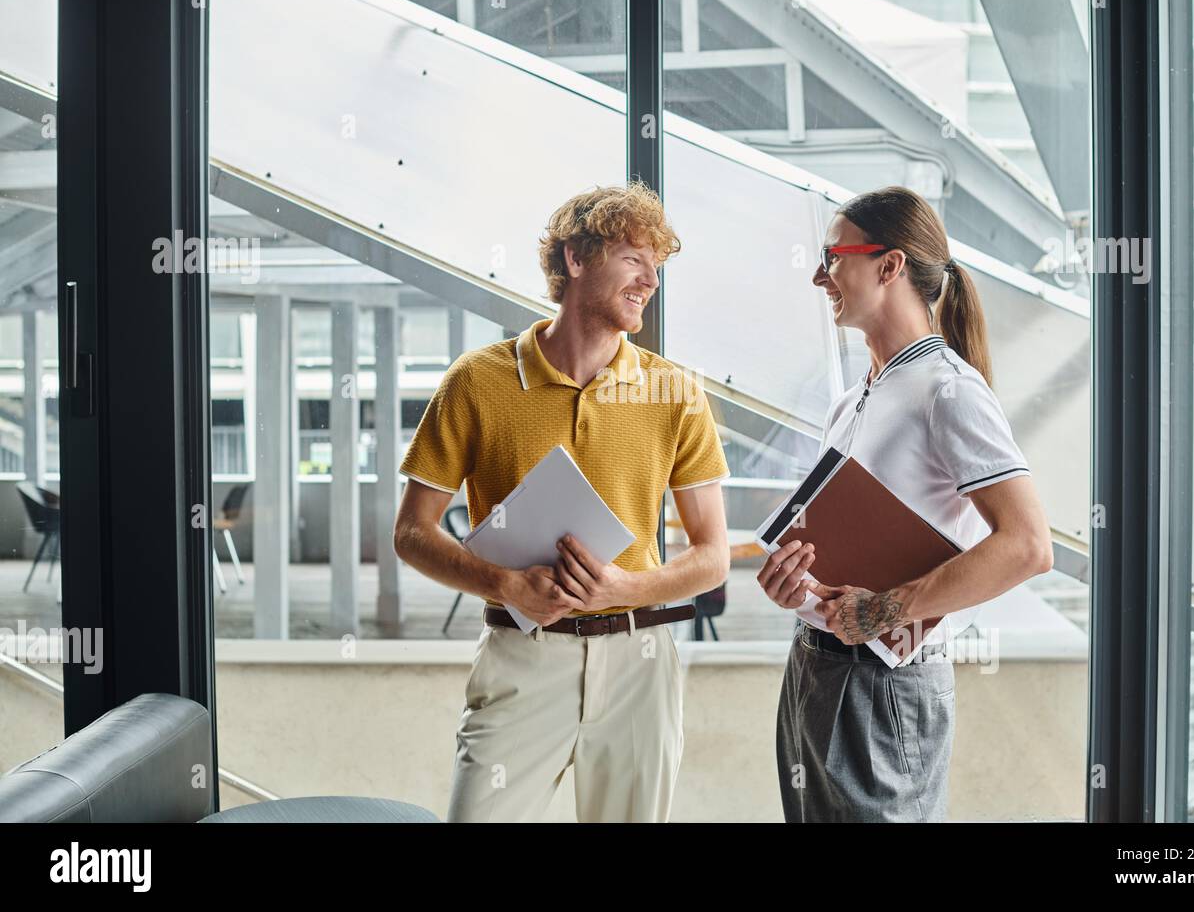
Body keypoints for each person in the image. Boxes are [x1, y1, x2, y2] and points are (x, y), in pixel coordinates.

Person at [393, 181, 730, 822]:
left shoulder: (676, 393)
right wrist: (505, 583)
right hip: (522, 656)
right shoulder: (476, 382)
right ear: (577, 259)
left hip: (640, 662)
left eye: (656, 268)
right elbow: (411, 533)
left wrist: (623, 588)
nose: (649, 281)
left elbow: (712, 556)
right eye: (634, 259)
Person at [759, 185, 1053, 822]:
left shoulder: (951, 391)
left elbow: (1028, 546)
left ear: (889, 266)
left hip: (883, 685)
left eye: (833, 257)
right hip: (815, 671)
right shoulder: (852, 399)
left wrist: (887, 610)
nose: (819, 275)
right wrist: (798, 589)